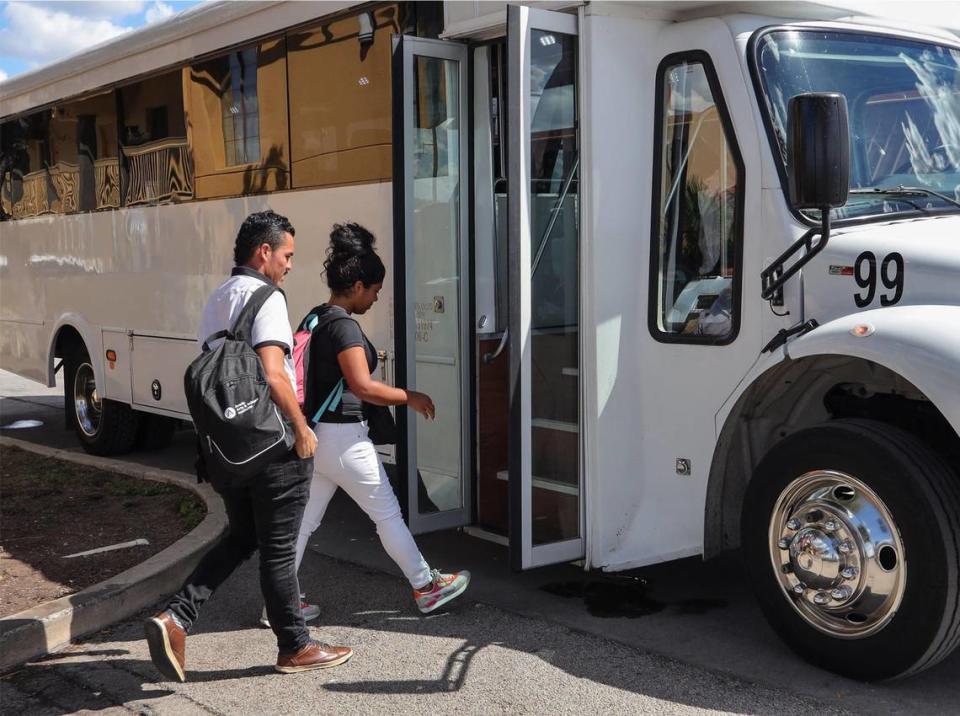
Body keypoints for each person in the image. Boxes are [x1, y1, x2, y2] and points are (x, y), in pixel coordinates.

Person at [144, 211, 352, 682]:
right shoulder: (268, 298)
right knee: (278, 550)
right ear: (265, 252)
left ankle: (175, 618)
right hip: (271, 445)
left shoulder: (218, 298)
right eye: (287, 255)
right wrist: (301, 429)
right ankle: (295, 646)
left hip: (228, 450)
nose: (290, 265)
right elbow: (275, 372)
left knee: (242, 537)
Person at [286, 222, 470, 618]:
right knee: (386, 514)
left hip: (317, 436)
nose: (375, 297)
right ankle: (425, 586)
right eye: (374, 290)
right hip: (344, 439)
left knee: (304, 523)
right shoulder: (345, 327)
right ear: (356, 286)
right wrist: (411, 397)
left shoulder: (316, 318)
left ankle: (280, 601)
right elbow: (362, 386)